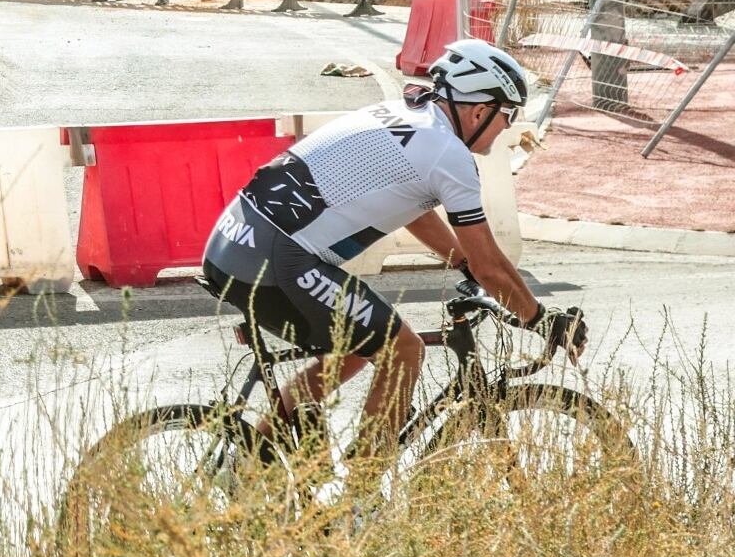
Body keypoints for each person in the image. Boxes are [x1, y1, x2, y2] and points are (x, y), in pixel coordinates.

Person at [201, 39, 588, 460]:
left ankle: (254, 455)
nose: (505, 128)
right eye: (507, 116)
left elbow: (412, 210)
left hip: (236, 245)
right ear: (481, 110)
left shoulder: (407, 114)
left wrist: (461, 263)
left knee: (358, 346)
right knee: (402, 347)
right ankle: (360, 496)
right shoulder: (447, 153)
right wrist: (540, 319)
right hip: (278, 260)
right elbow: (491, 265)